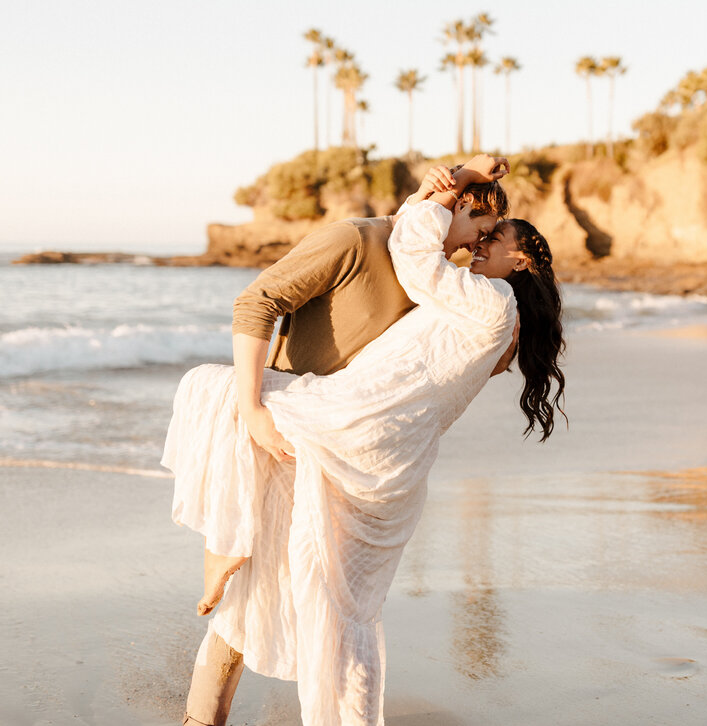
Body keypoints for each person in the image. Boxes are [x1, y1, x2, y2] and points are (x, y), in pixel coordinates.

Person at [162, 155, 565, 726]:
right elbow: (407, 245)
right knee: (343, 607)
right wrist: (439, 191)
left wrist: (455, 184)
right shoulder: (485, 308)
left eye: (491, 237)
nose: (476, 245)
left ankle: (228, 548)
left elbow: (411, 255)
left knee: (216, 392)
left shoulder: (489, 303)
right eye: (479, 230)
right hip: (390, 461)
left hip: (357, 424)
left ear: (518, 258)